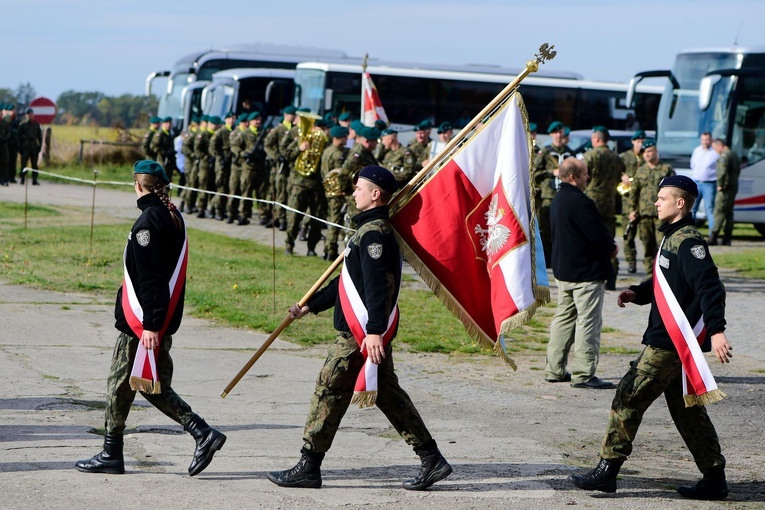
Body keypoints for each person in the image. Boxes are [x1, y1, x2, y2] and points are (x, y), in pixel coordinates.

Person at [268, 165, 452, 491]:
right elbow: (349, 282)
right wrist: (311, 305)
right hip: (367, 333)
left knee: (329, 390)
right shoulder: (367, 231)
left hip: (359, 337)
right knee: (387, 395)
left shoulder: (374, 235)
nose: (354, 193)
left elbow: (378, 287)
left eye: (359, 188)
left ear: (375, 194)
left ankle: (309, 466)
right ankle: (431, 458)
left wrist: (374, 331)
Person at [569, 174, 733, 500]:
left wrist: (716, 331)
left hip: (667, 343)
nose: (656, 203)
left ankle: (607, 470)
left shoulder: (689, 241)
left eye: (662, 198)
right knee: (689, 412)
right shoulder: (672, 237)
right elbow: (669, 281)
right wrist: (639, 293)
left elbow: (709, 286)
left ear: (680, 203)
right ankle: (714, 477)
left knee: (627, 397)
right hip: (672, 341)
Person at [75, 160, 226, 476]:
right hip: (154, 321)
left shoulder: (148, 223)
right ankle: (119, 451)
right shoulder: (170, 216)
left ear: (138, 185)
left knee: (127, 384)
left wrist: (151, 327)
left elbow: (152, 280)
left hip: (142, 325)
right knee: (141, 385)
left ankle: (117, 452)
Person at [544, 158, 618, 389]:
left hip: (564, 272)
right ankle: (584, 374)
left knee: (563, 319)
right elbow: (597, 234)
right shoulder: (580, 202)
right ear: (573, 177)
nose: (589, 178)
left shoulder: (558, 200)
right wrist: (612, 247)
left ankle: (554, 370)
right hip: (585, 274)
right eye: (585, 174)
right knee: (588, 323)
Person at [584, 126, 625, 290]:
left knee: (590, 240)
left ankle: (591, 276)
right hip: (610, 204)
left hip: (592, 204)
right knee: (609, 241)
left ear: (597, 139)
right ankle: (612, 277)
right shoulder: (616, 158)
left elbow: (583, 176)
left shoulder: (590, 156)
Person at [628, 139, 675, 275]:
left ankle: (665, 273)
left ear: (656, 151)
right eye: (644, 152)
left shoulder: (666, 169)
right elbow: (634, 192)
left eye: (649, 151)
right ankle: (651, 276)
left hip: (662, 215)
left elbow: (674, 191)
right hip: (644, 215)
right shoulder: (640, 170)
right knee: (647, 246)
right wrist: (632, 209)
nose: (647, 154)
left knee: (663, 245)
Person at [534, 121, 573, 267]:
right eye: (555, 133)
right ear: (551, 134)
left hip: (565, 195)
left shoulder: (569, 152)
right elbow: (534, 173)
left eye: (560, 132)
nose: (558, 135)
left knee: (564, 229)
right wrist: (552, 172)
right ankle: (547, 260)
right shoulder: (545, 152)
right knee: (546, 229)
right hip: (548, 196)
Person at [320, 125, 350, 260]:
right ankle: (330, 250)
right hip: (337, 193)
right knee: (336, 221)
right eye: (345, 137)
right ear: (338, 138)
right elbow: (339, 175)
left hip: (330, 191)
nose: (347, 139)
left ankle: (328, 250)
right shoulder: (337, 154)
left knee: (333, 220)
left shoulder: (327, 151)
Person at [619, 130, 646, 273]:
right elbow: (616, 170)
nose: (640, 144)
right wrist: (622, 175)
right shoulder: (624, 157)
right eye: (638, 141)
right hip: (628, 200)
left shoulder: (647, 156)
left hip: (644, 201)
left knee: (644, 234)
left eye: (642, 141)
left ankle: (649, 262)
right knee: (628, 234)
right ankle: (631, 262)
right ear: (633, 142)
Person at [709, 138, 741, 246]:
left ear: (720, 146)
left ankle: (714, 236)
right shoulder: (734, 154)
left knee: (719, 211)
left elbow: (722, 172)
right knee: (729, 213)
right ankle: (727, 238)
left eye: (715, 148)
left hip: (725, 189)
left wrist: (720, 185)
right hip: (733, 187)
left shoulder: (724, 155)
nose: (715, 151)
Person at [690, 132, 719, 236]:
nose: (705, 142)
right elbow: (693, 165)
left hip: (709, 184)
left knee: (709, 208)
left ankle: (713, 234)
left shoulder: (715, 152)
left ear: (711, 140)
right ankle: (690, 232)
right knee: (692, 208)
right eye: (703, 139)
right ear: (701, 140)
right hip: (697, 183)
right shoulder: (697, 151)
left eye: (707, 140)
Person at [18, 108, 42, 185]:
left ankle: (34, 179)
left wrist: (39, 146)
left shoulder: (36, 124)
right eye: (29, 114)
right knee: (24, 164)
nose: (30, 116)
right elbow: (19, 137)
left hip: (34, 146)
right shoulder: (23, 125)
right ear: (27, 115)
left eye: (32, 114)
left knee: (34, 164)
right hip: (26, 146)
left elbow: (39, 136)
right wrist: (20, 147)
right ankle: (22, 179)